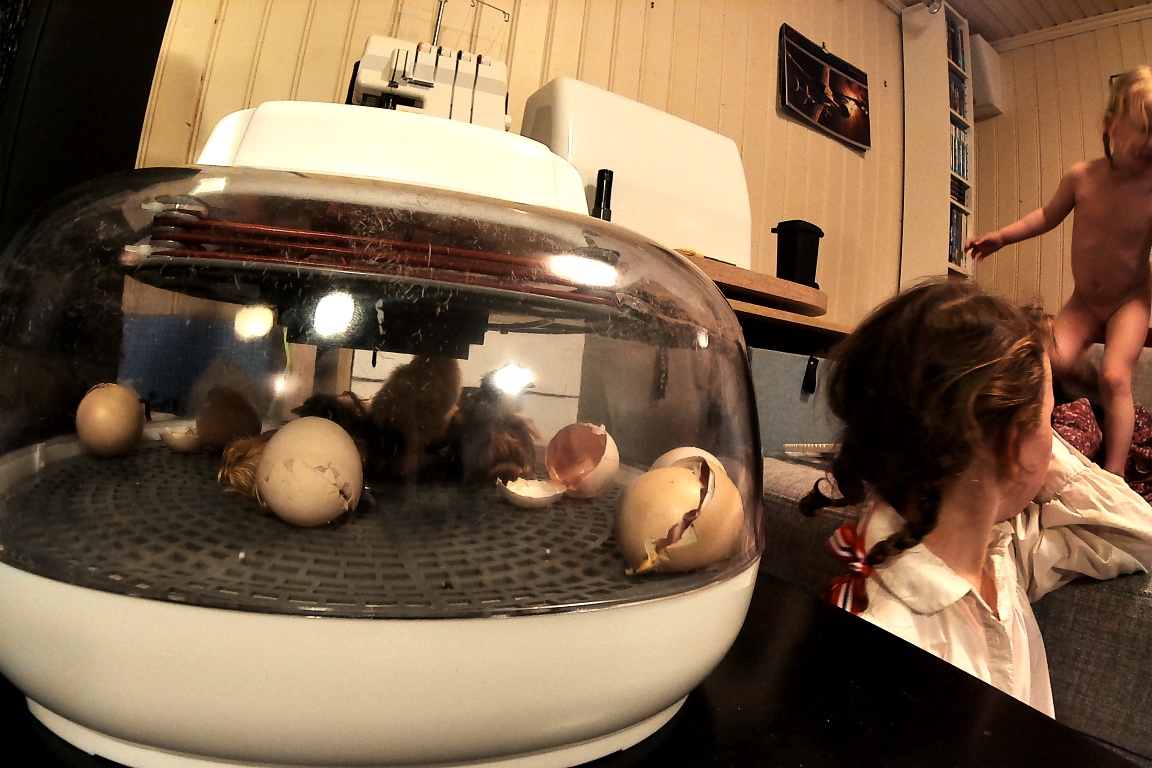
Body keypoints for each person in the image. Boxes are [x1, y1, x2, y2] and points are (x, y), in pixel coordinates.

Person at [800, 280, 1152, 716]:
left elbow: (1140, 536)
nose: (1057, 443)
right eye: (1049, 421)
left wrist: (1017, 435)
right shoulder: (895, 640)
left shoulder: (1003, 553)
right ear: (1012, 445)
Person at [964, 66, 1152, 477]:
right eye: (1144, 130)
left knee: (1116, 377)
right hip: (1085, 301)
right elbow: (1046, 216)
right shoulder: (1082, 178)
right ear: (1112, 125)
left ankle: (1114, 473)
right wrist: (1003, 237)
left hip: (1130, 302)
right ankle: (1079, 390)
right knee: (1047, 356)